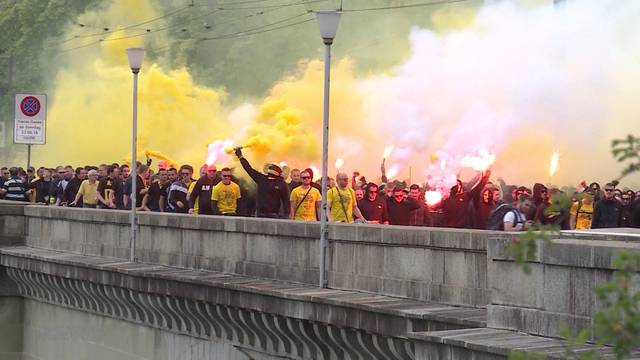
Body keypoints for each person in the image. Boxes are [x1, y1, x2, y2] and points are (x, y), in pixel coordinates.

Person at [235, 147, 290, 218]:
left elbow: (286, 201)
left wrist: (286, 215)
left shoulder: (282, 184)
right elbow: (249, 169)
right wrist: (241, 157)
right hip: (260, 214)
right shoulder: (262, 179)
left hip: (273, 214)